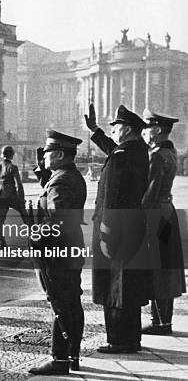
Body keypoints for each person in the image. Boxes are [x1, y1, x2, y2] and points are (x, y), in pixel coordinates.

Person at [85, 104, 150, 353]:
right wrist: (95, 131)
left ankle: (119, 341)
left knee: (116, 285)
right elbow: (114, 150)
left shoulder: (124, 155)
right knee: (127, 285)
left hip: (116, 229)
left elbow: (112, 197)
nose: (113, 130)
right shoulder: (134, 150)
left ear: (129, 129)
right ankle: (130, 338)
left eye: (116, 126)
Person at [28, 131, 87, 375]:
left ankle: (59, 359)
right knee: (72, 299)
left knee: (59, 301)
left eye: (48, 152)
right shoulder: (69, 176)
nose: (44, 155)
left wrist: (35, 234)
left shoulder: (61, 181)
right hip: (70, 245)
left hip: (56, 250)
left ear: (60, 154)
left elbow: (57, 219)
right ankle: (73, 355)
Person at [140, 109, 186, 335]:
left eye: (147, 128)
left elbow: (150, 190)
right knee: (166, 265)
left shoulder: (156, 155)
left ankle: (159, 322)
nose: (144, 132)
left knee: (156, 266)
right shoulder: (170, 152)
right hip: (167, 210)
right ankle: (163, 321)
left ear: (157, 130)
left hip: (155, 213)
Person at [0, 145, 28, 247]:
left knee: (0, 220)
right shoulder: (13, 167)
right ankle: (33, 236)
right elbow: (18, 184)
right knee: (24, 214)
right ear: (12, 155)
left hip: (0, 196)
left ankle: (2, 242)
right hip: (11, 195)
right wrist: (21, 199)